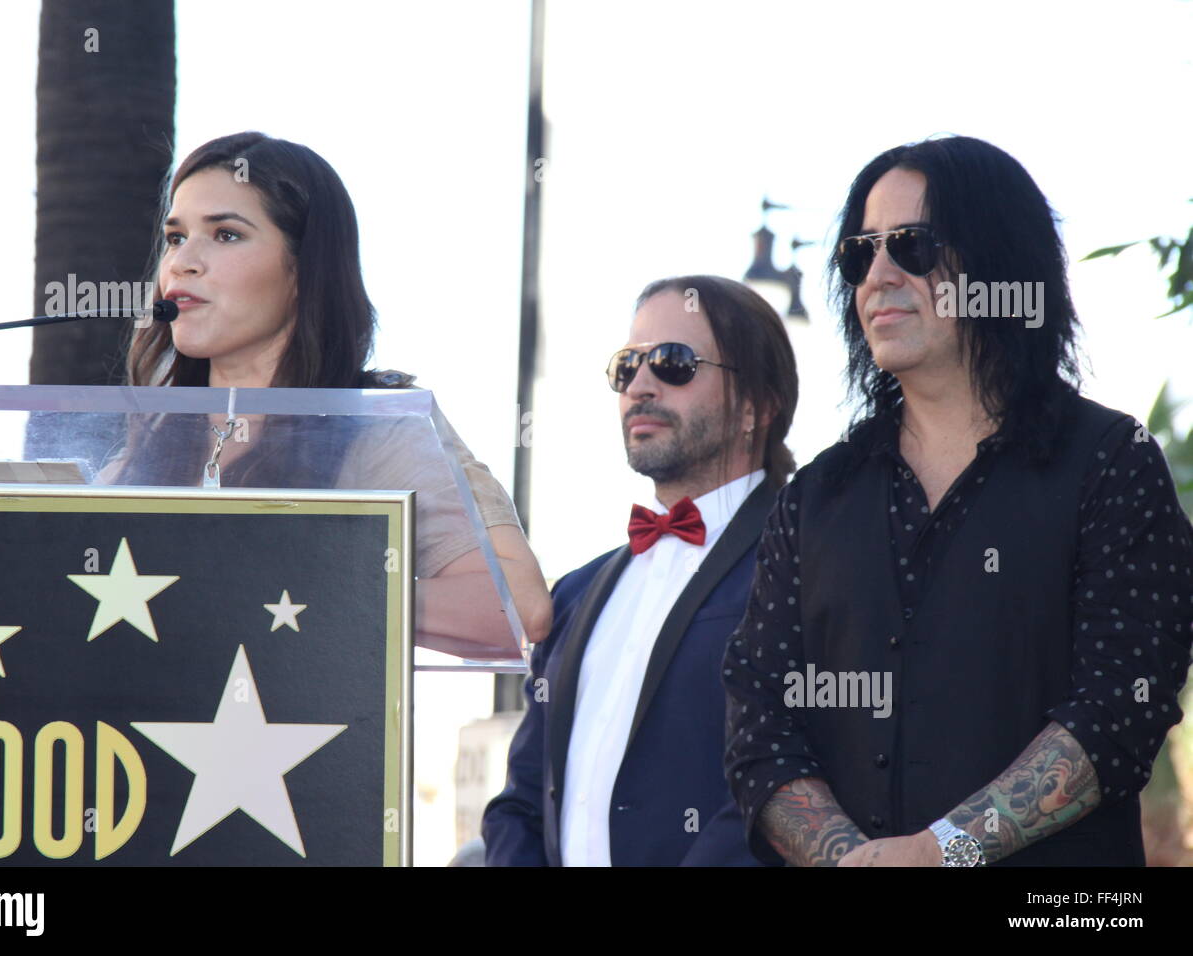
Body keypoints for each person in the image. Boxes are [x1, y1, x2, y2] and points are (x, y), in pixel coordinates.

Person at [722, 135, 1193, 867]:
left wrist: (944, 852)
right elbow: (759, 720)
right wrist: (855, 860)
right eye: (859, 253)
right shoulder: (816, 496)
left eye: (910, 245)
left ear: (998, 259)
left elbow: (1118, 709)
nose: (877, 275)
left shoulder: (1110, 463)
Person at [98, 131, 551, 655]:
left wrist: (301, 592)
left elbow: (517, 606)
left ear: (303, 268)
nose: (182, 262)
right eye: (175, 237)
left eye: (225, 235)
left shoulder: (375, 424)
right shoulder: (154, 438)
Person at [482, 275, 798, 865]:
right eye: (627, 367)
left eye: (674, 363)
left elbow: (782, 786)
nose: (641, 386)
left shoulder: (804, 566)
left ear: (757, 405)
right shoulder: (575, 594)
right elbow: (523, 802)